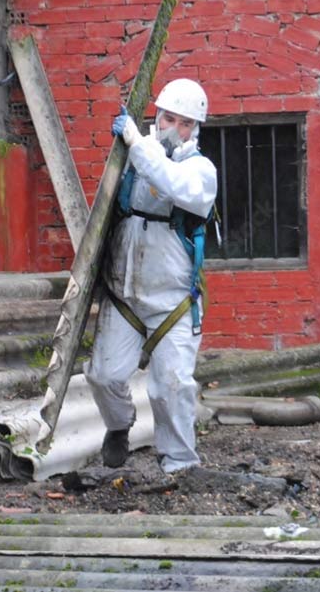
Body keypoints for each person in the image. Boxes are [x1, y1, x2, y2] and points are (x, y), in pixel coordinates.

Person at [84, 79, 218, 473]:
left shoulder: (200, 170)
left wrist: (136, 142)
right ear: (156, 116)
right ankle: (119, 425)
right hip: (123, 294)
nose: (173, 128)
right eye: (167, 118)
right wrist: (131, 146)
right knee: (102, 376)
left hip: (172, 301)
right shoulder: (132, 158)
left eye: (185, 123)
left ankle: (179, 464)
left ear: (196, 129)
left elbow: (172, 184)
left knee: (172, 387)